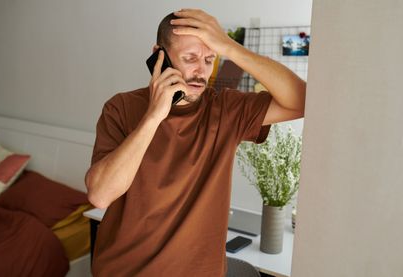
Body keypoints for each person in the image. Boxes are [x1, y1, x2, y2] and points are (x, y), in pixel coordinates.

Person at [85, 8, 306, 277]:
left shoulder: (226, 110)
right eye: (190, 58)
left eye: (210, 59)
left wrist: (231, 47)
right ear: (159, 55)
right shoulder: (121, 108)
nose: (201, 71)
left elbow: (301, 101)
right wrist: (154, 115)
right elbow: (100, 194)